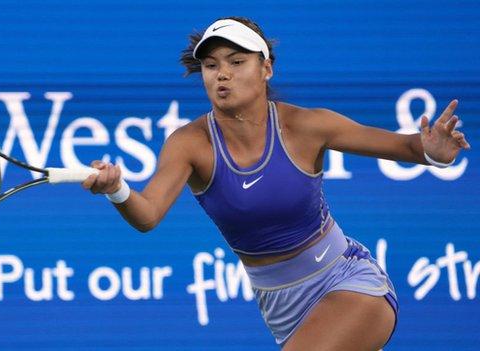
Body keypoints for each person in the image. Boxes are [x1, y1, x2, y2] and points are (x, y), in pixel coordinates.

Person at [81, 17, 471, 350]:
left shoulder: (306, 126)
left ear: (266, 69)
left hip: (349, 280)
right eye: (212, 65)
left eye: (237, 61)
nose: (223, 73)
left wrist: (434, 150)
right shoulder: (189, 143)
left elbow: (405, 146)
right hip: (281, 307)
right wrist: (117, 189)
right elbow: (147, 214)